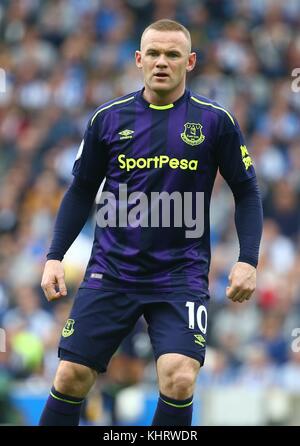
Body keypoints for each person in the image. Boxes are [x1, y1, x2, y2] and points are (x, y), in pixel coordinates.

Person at [39, 19, 263, 426]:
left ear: (190, 61)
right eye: (154, 54)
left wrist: (248, 259)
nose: (162, 62)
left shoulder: (215, 122)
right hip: (112, 270)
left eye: (173, 54)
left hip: (180, 275)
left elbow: (247, 191)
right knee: (71, 375)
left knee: (179, 378)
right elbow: (80, 191)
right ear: (139, 59)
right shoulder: (107, 119)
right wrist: (55, 255)